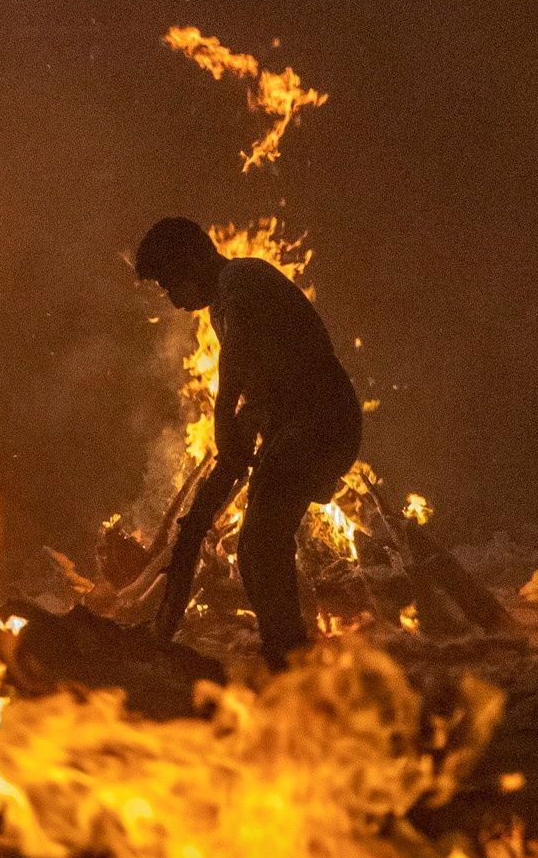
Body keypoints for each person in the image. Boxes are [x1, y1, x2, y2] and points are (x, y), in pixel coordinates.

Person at [132, 215, 364, 663]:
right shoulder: (230, 295)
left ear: (191, 260)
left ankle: (290, 661)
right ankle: (286, 651)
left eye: (169, 283)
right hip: (304, 426)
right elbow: (267, 368)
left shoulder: (241, 280)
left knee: (260, 544)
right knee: (261, 543)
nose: (171, 298)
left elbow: (238, 355)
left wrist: (223, 421)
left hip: (318, 424)